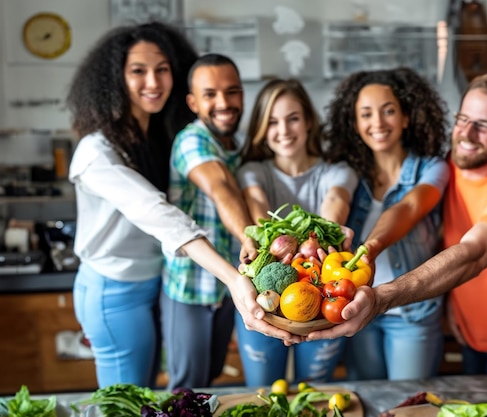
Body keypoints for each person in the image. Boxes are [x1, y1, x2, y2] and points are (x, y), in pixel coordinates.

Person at [65, 22, 277, 388]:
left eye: (162, 69)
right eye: (138, 71)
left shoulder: (157, 138)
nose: (153, 82)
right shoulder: (96, 151)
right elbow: (162, 216)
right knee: (125, 402)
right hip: (113, 290)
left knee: (151, 396)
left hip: (153, 282)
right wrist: (233, 277)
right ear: (114, 79)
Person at [309, 73, 487, 376]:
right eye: (463, 119)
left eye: (483, 125)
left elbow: (471, 254)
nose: (466, 133)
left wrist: (381, 295)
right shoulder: (454, 164)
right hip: (467, 327)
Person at [322, 67, 450, 380]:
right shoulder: (347, 173)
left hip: (412, 312)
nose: (377, 123)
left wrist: (370, 248)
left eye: (388, 111)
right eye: (366, 114)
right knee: (367, 397)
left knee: (408, 404)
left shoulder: (432, 168)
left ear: (406, 117)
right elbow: (335, 200)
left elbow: (409, 206)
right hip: (356, 306)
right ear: (355, 124)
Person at [235, 78, 359, 386]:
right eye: (273, 121)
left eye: (293, 119)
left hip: (319, 303)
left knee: (315, 389)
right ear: (262, 128)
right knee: (263, 391)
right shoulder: (252, 172)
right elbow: (258, 206)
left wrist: (317, 237)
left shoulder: (337, 170)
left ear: (308, 122)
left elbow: (335, 200)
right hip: (265, 304)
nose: (284, 130)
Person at [160, 53, 258, 390]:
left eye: (232, 92)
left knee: (212, 381)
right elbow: (220, 187)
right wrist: (252, 239)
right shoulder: (191, 140)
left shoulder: (240, 145)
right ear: (193, 102)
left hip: (229, 288)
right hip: (190, 288)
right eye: (210, 94)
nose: (224, 103)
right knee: (186, 388)